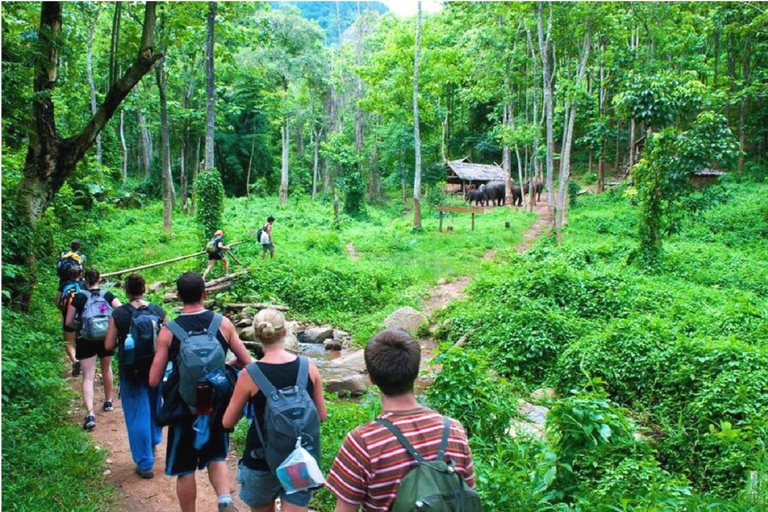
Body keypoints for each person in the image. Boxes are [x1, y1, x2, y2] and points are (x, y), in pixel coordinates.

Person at [325, 329, 477, 511]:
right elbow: (467, 495)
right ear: (416, 372)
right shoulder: (454, 430)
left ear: (371, 379)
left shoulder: (362, 443)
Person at [149, 272, 254, 512]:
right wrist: (225, 367)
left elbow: (154, 380)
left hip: (184, 409)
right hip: (216, 405)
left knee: (185, 469)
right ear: (205, 293)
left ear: (178, 296)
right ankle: (225, 499)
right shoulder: (223, 324)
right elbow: (246, 361)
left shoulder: (169, 331)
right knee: (216, 456)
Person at [222, 308, 327, 512]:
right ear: (285, 332)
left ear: (257, 335)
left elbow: (228, 421)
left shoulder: (249, 374)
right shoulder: (308, 366)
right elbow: (321, 416)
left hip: (261, 458)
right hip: (300, 456)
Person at [105, 273, 166, 480]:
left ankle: (145, 462)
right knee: (153, 405)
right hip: (155, 368)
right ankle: (154, 439)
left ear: (126, 290)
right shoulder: (157, 310)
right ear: (145, 287)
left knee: (136, 413)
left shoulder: (120, 314)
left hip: (130, 370)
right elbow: (170, 335)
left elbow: (108, 345)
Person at [66, 268, 121, 431]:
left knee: (88, 377)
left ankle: (90, 414)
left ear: (85, 280)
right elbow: (121, 310)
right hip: (106, 337)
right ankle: (108, 401)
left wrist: (81, 327)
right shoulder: (108, 295)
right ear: (100, 279)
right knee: (106, 369)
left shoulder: (80, 297)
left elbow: (69, 321)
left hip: (86, 339)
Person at [55, 264, 83, 377]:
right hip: (82, 318)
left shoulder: (63, 286)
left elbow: (57, 302)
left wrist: (63, 310)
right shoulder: (84, 285)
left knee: (69, 343)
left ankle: (74, 360)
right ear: (80, 274)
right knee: (81, 340)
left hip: (68, 317)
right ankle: (84, 363)